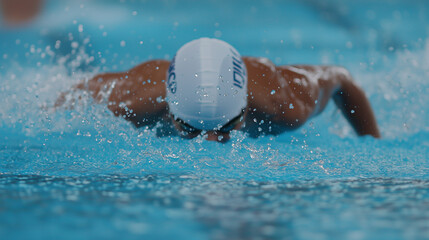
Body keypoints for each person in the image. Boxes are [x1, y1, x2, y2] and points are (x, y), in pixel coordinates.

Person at [56, 38, 380, 142]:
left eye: (227, 125)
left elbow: (342, 78)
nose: (211, 140)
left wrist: (372, 143)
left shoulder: (284, 104)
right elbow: (75, 93)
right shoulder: (130, 103)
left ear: (245, 109)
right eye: (190, 127)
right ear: (169, 111)